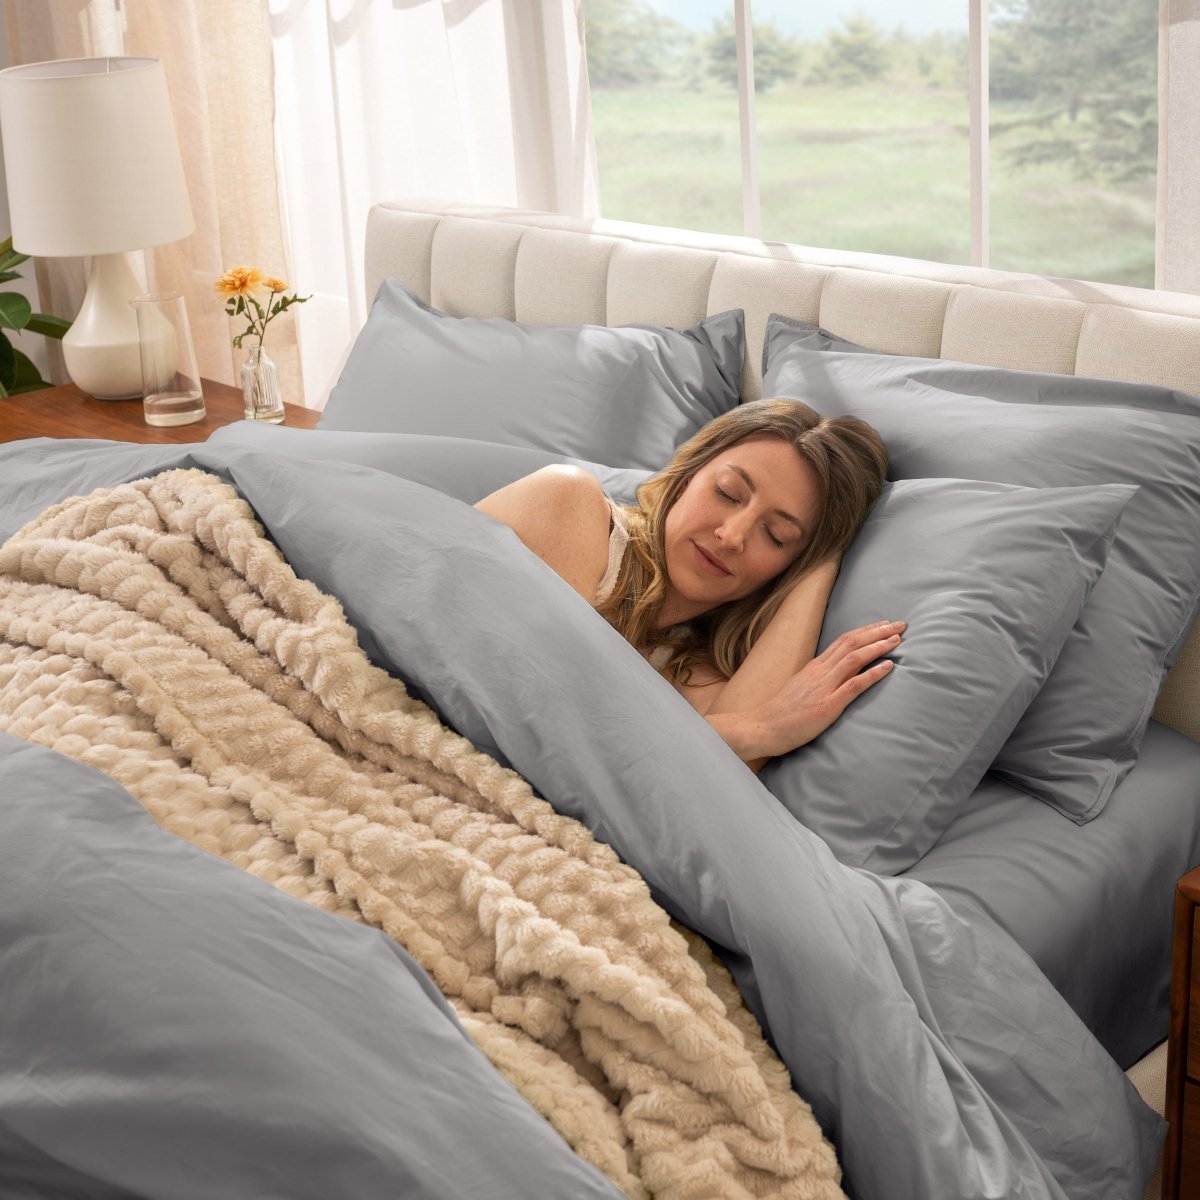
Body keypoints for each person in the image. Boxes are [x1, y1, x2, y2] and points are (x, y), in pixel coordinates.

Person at [475, 398, 901, 771]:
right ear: (688, 474)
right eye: (727, 493)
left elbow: (721, 782)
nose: (731, 536)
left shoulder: (692, 668)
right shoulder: (567, 500)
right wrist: (760, 729)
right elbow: (546, 721)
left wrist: (821, 563)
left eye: (776, 536)